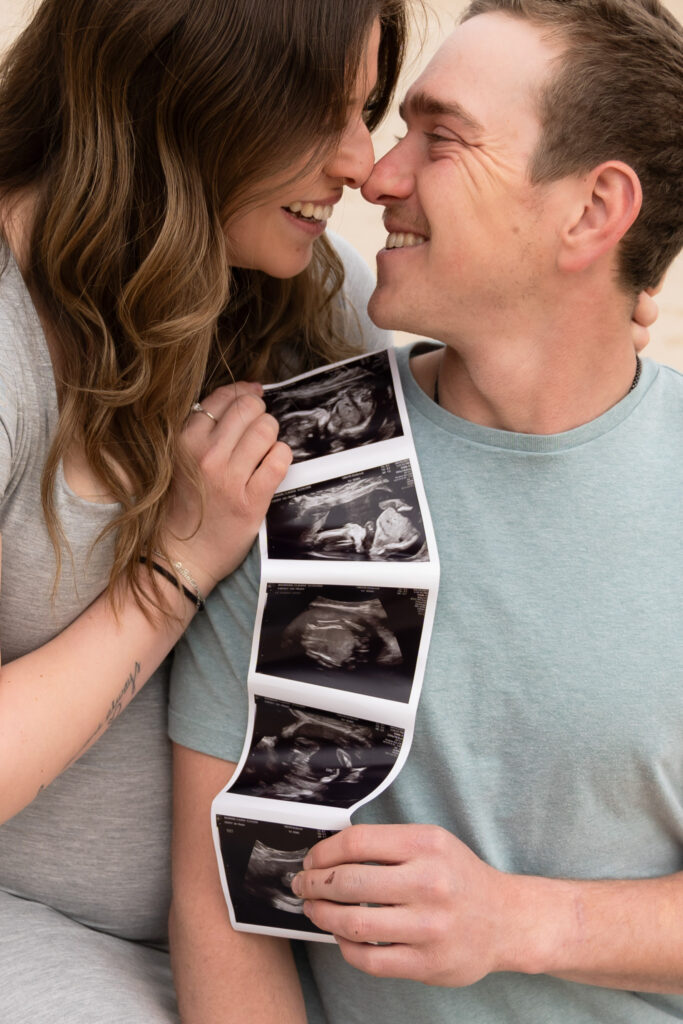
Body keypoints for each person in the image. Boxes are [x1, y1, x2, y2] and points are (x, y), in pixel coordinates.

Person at [167, 0, 683, 1021]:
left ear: (590, 212)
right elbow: (220, 907)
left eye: (438, 138)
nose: (377, 173)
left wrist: (515, 921)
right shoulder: (296, 460)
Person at [0, 1, 409, 1020]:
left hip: (265, 937)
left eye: (366, 111)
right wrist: (172, 570)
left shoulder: (303, 291)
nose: (360, 162)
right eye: (322, 113)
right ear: (189, 93)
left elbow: (476, 407)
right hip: (40, 927)